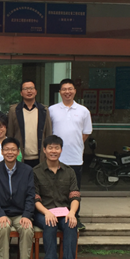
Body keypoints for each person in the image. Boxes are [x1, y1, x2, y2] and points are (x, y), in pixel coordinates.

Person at [33, 135, 81, 259]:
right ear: (44, 150)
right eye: (50, 148)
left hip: (64, 211)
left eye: (56, 148)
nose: (53, 151)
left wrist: (72, 213)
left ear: (61, 150)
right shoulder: (36, 171)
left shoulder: (69, 171)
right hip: (43, 212)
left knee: (71, 224)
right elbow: (34, 198)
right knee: (50, 223)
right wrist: (47, 213)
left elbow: (75, 196)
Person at [0, 137, 35, 259]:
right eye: (6, 149)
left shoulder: (27, 170)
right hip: (2, 212)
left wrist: (27, 215)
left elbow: (31, 195)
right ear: (1, 152)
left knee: (27, 228)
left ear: (18, 152)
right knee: (3, 227)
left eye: (13, 149)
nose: (10, 152)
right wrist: (0, 214)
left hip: (20, 213)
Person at [48, 78, 92, 231]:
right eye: (64, 89)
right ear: (60, 92)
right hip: (55, 158)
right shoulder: (52, 110)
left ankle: (75, 217)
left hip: (75, 158)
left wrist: (73, 144)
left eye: (70, 89)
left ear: (74, 91)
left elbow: (85, 133)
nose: (67, 92)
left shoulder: (83, 111)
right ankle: (58, 217)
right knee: (56, 189)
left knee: (74, 190)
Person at [7, 80, 52, 167]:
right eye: (25, 89)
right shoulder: (14, 110)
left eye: (31, 88)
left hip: (40, 158)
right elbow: (10, 134)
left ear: (36, 91)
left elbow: (48, 134)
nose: (29, 91)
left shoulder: (44, 110)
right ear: (21, 93)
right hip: (20, 157)